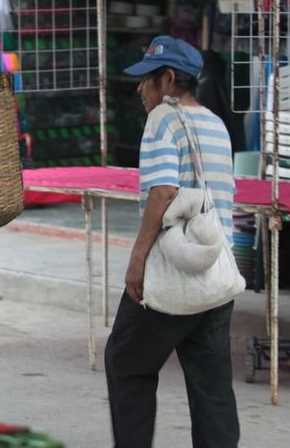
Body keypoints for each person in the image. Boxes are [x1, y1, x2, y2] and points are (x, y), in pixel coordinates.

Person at [104, 36, 240, 448]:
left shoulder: (164, 117)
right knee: (211, 383)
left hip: (174, 268)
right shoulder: (217, 124)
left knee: (125, 362)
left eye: (146, 80)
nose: (141, 90)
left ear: (168, 79)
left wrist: (138, 258)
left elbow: (163, 193)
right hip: (216, 272)